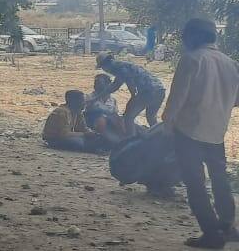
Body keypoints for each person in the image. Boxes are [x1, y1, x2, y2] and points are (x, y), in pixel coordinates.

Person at [162, 19, 239, 249]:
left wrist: (167, 125)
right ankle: (227, 226)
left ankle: (211, 233)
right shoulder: (230, 63)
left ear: (193, 36)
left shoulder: (192, 59)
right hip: (217, 131)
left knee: (195, 183)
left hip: (189, 131)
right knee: (220, 179)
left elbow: (177, 97)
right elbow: (236, 100)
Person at [96, 53, 166, 134]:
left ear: (105, 66)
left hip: (149, 91)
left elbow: (115, 86)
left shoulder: (119, 68)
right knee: (151, 117)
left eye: (102, 68)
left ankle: (131, 140)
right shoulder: (124, 66)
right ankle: (160, 137)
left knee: (129, 118)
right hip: (160, 90)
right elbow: (130, 88)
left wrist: (95, 98)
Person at [85, 74, 126, 144]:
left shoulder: (113, 100)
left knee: (121, 119)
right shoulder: (89, 97)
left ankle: (123, 139)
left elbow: (115, 113)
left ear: (108, 85)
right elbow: (87, 110)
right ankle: (100, 141)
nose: (96, 86)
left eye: (99, 83)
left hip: (109, 122)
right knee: (101, 119)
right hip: (93, 120)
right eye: (96, 83)